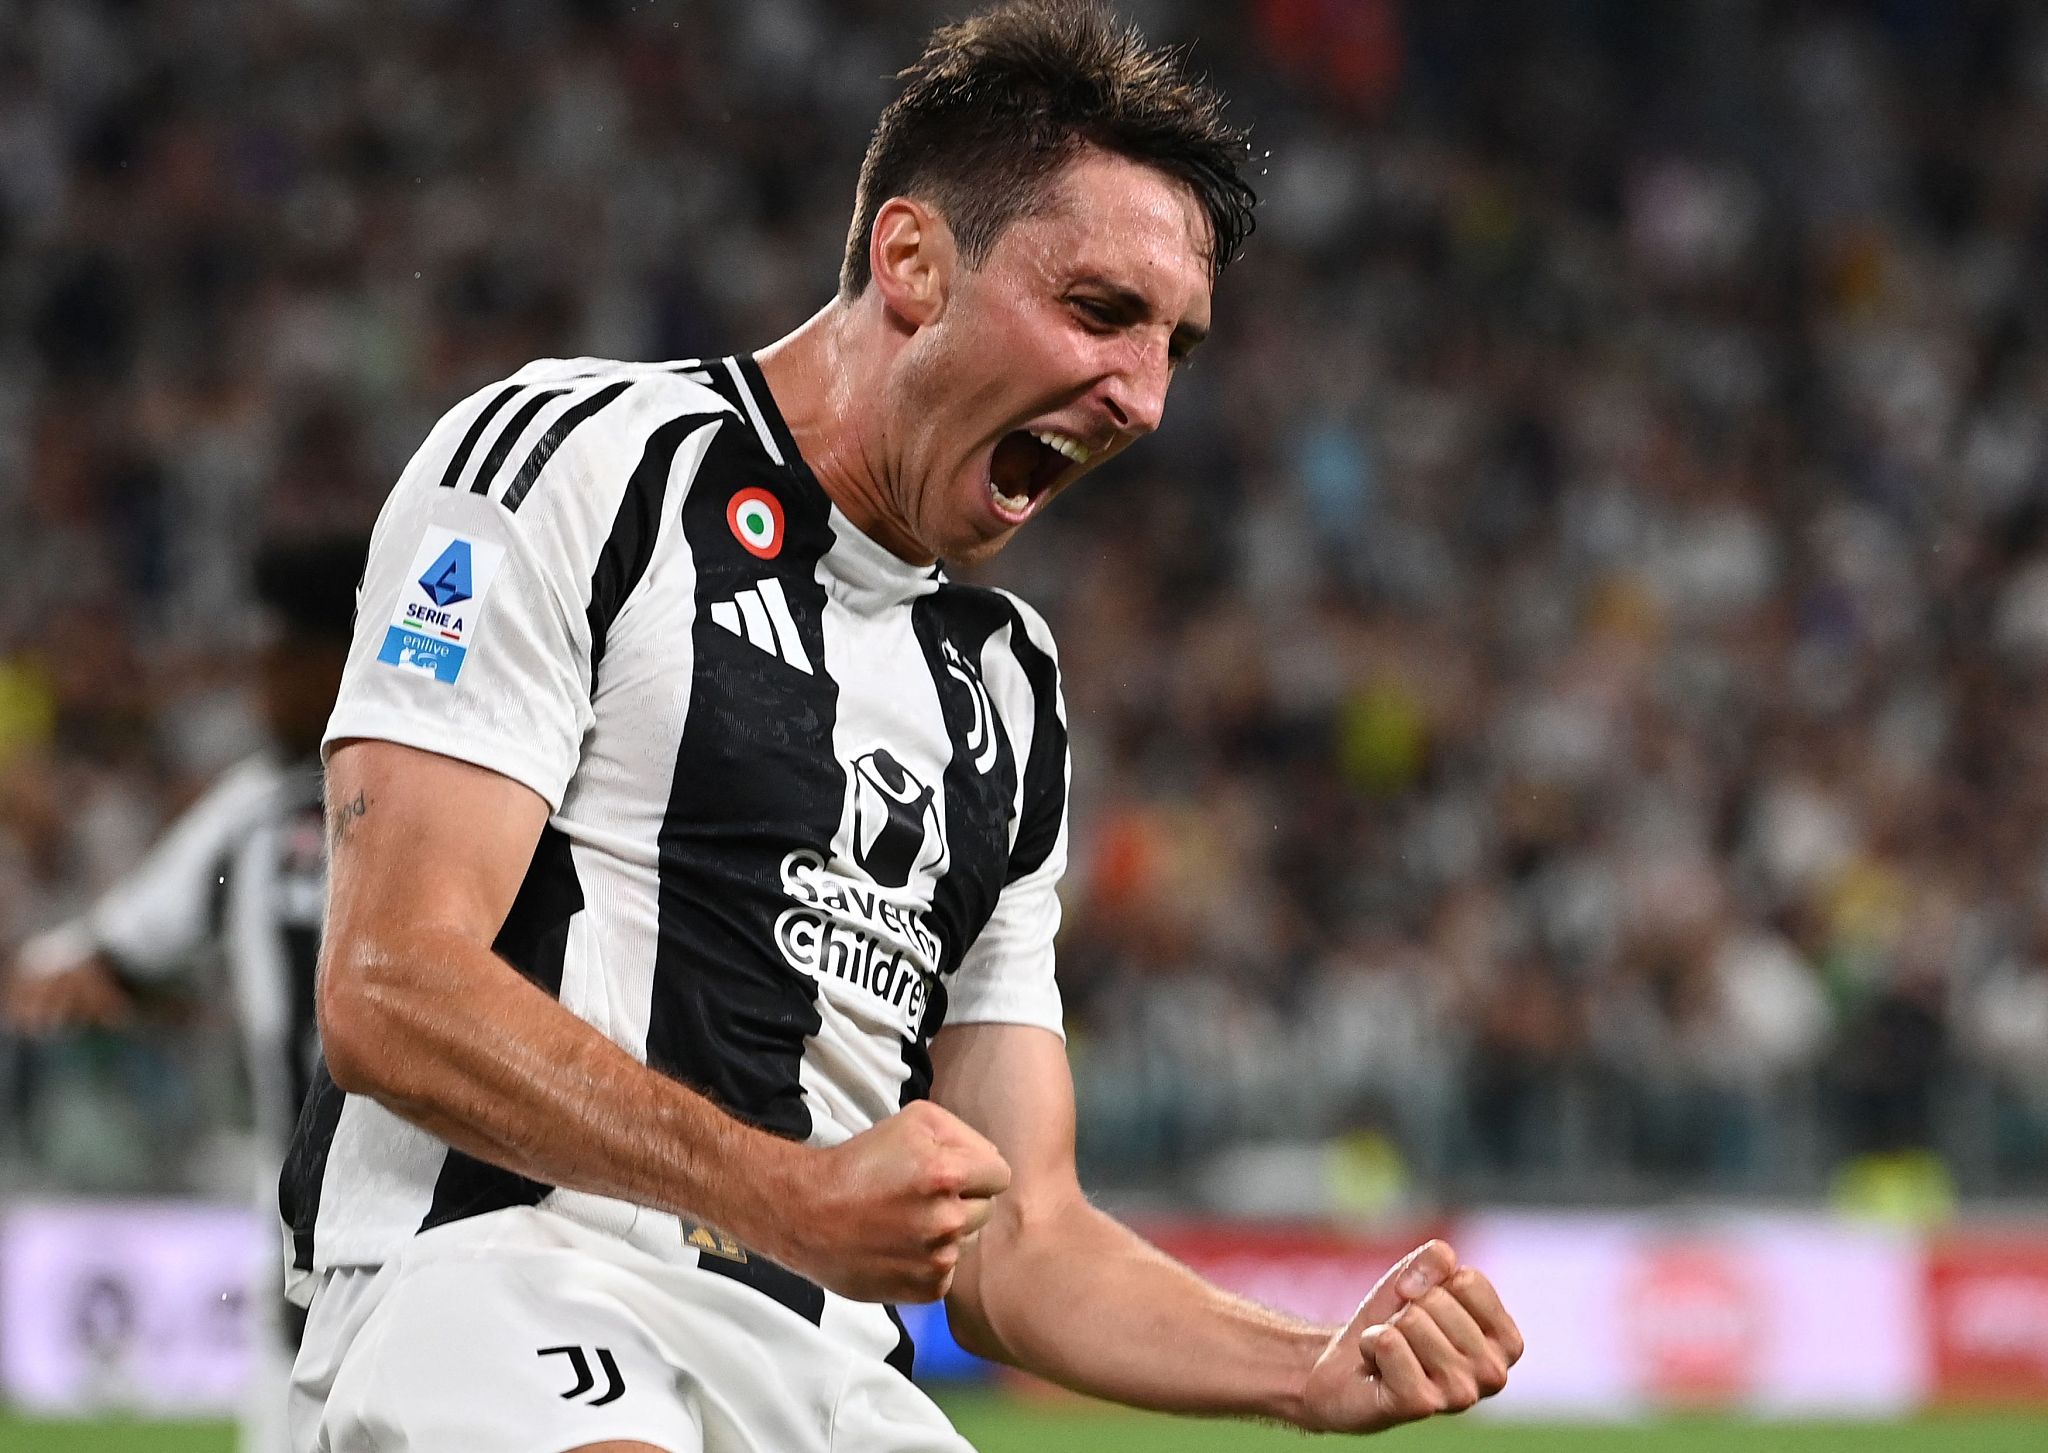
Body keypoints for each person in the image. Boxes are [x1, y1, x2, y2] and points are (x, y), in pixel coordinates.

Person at [283, 5, 1523, 1450]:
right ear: (913, 263)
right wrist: (779, 1191)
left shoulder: (1008, 690)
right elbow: (391, 982)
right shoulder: (586, 461)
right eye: (1102, 310)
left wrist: (1306, 1363)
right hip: (497, 1286)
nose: (1143, 397)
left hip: (827, 1374)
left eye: (1177, 344)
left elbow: (1020, 1235)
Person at [5, 532, 364, 1453]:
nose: (260, 682)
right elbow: (109, 954)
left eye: (281, 657)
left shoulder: (432, 792)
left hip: (427, 1206)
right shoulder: (249, 811)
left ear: (344, 654)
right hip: (293, 1208)